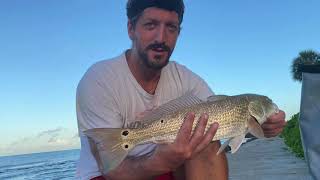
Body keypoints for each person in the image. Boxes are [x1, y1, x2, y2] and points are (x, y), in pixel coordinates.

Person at [76, 0, 287, 179]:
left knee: (207, 143)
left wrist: (264, 126)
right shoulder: (99, 80)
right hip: (109, 175)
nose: (161, 37)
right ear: (131, 29)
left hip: (168, 169)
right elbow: (111, 170)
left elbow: (222, 115)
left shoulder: (188, 80)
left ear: (179, 32)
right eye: (151, 25)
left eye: (171, 27)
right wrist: (157, 161)